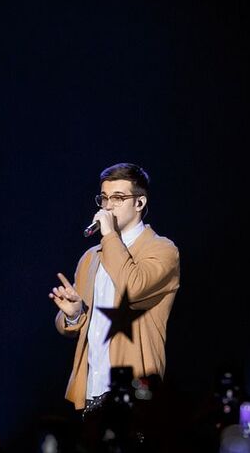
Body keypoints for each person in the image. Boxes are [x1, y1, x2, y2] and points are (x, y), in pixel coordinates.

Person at [49, 163, 181, 415]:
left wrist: (109, 234)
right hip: (92, 389)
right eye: (104, 198)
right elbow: (69, 325)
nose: (108, 206)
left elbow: (134, 286)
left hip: (136, 392)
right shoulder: (91, 257)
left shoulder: (162, 250)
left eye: (118, 198)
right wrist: (74, 315)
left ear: (140, 203)